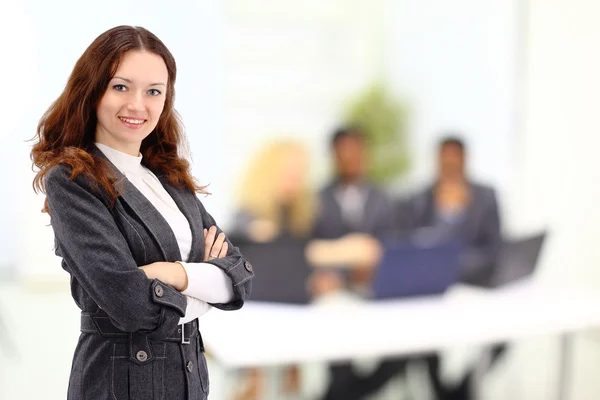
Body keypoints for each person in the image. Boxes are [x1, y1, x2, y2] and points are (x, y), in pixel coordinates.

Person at [30, 26, 253, 400]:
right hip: (121, 382)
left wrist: (166, 273)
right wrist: (202, 285)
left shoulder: (168, 176)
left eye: (154, 91)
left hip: (188, 376)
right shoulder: (72, 180)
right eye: (121, 87)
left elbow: (237, 280)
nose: (138, 104)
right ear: (93, 90)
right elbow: (131, 306)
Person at [400, 135, 503, 400]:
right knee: (422, 341)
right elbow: (409, 246)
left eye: (454, 158)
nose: (449, 163)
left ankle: (459, 391)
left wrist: (456, 263)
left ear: (464, 160)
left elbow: (495, 248)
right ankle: (446, 394)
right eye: (444, 158)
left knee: (502, 335)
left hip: (474, 287)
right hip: (431, 291)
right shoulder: (420, 199)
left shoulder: (485, 197)